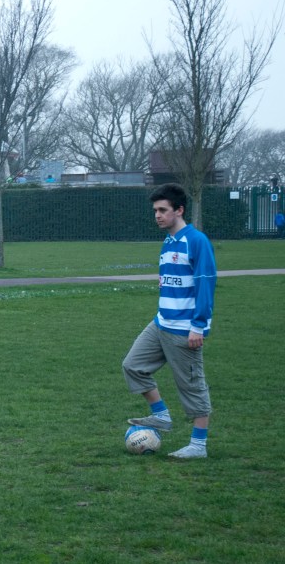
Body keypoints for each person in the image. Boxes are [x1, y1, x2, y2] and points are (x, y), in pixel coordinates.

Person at [122, 183, 217, 459]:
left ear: (179, 210)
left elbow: (205, 284)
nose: (157, 215)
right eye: (155, 210)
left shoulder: (196, 241)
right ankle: (161, 415)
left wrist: (198, 326)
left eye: (163, 210)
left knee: (192, 387)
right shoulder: (168, 242)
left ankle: (198, 446)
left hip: (185, 329)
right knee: (132, 365)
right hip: (161, 323)